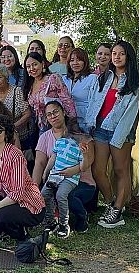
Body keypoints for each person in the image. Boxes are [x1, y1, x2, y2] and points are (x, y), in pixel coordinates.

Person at [85, 40, 139, 228]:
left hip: (121, 131)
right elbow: (93, 101)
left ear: (129, 57)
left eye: (121, 54)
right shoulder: (104, 77)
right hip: (101, 128)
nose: (116, 57)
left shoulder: (135, 82)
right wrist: (90, 123)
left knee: (120, 169)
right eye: (114, 53)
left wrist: (120, 136)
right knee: (98, 170)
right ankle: (113, 203)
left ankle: (118, 209)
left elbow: (131, 113)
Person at [0, 114, 46, 241]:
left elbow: (17, 193)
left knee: (0, 214)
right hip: (8, 199)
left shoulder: (15, 154)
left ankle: (21, 235)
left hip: (29, 205)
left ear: (6, 134)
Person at [41, 101, 87, 239]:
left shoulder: (81, 146)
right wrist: (46, 172)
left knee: (61, 195)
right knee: (44, 194)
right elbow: (53, 158)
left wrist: (84, 154)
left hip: (70, 178)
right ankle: (50, 221)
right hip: (55, 175)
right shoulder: (60, 141)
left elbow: (83, 166)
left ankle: (63, 224)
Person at [22, 52, 77, 137]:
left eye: (35, 64)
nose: (32, 68)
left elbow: (67, 101)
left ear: (42, 64)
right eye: (28, 66)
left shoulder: (53, 79)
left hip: (59, 125)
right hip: (42, 127)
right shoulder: (29, 85)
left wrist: (71, 124)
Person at [0, 63, 32, 152]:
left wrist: (12, 127)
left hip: (18, 137)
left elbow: (27, 114)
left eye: (0, 77)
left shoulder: (16, 91)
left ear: (6, 77)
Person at [64, 48, 95, 133]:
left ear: (85, 62)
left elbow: (94, 103)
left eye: (79, 60)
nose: (75, 63)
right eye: (72, 60)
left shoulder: (92, 78)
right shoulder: (64, 79)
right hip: (67, 122)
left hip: (85, 123)